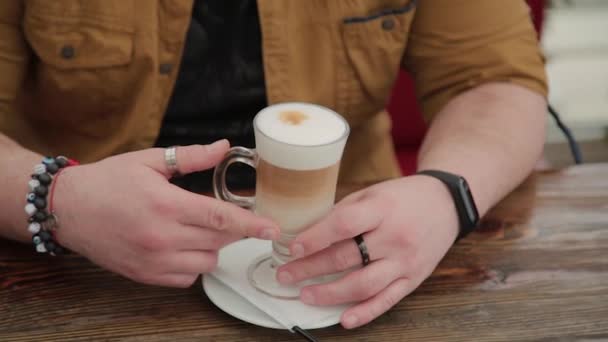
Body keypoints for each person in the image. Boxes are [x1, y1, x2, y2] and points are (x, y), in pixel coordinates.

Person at [0, 0, 547, 329]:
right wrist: (54, 197)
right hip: (79, 271)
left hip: (357, 260)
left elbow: (495, 79)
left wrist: (445, 194)